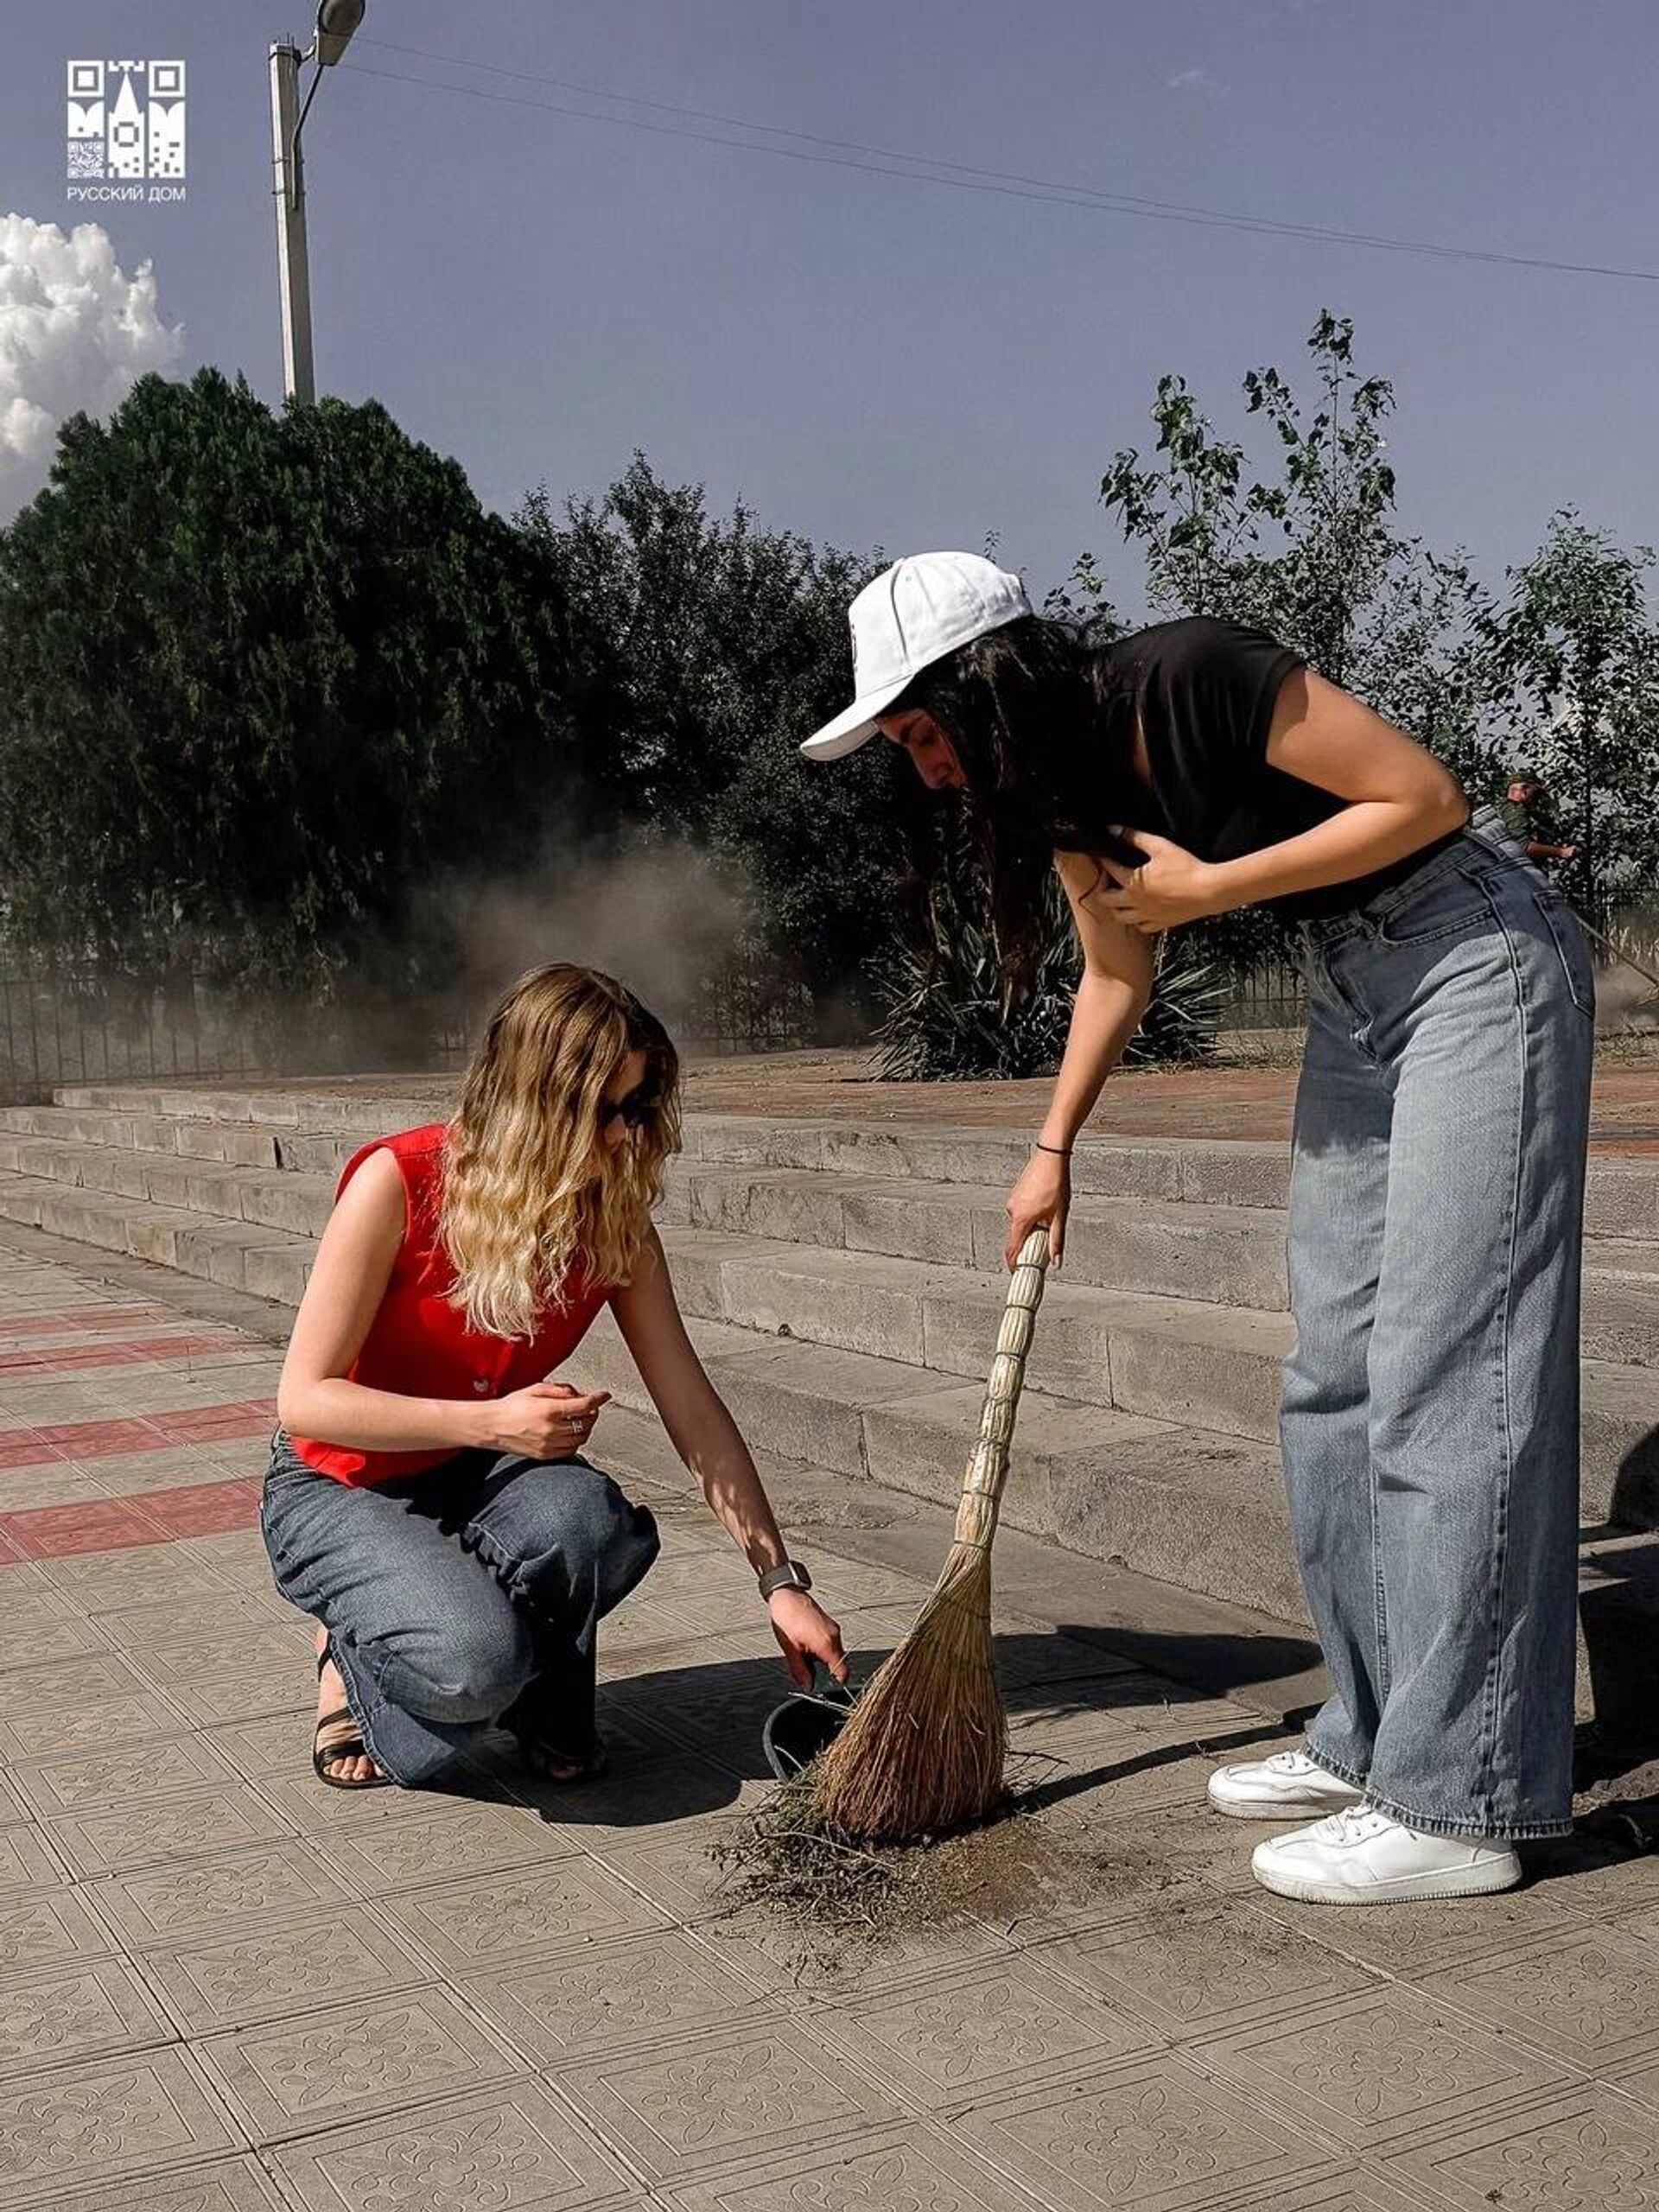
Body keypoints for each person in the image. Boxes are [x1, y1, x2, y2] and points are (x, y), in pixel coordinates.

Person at [801, 551, 1594, 1906]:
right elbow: (1120, 964)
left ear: (985, 685)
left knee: (1449, 1377)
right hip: (1355, 992)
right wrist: (1051, 1150)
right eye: (904, 745)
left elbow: (1425, 795)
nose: (923, 766)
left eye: (925, 730)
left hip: (1475, 960)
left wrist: (1211, 890)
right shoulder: (1063, 790)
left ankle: (1460, 1801)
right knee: (1329, 1383)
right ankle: (1375, 1736)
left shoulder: (1188, 674)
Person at [265, 962, 848, 1790]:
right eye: (602, 1110)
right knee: (472, 1666)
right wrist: (495, 1424)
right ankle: (351, 1648)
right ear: (534, 1101)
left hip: (474, 1475)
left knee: (591, 1520)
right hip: (339, 1482)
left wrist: (778, 1582)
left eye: (636, 1106)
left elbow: (692, 1407)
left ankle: (522, 1683)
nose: (621, 1134)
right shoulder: (398, 1182)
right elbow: (305, 1401)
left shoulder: (610, 1216)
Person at [1494, 769, 1578, 868]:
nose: (1536, 799)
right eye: (1535, 793)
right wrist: (1561, 852)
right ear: (1524, 789)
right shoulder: (1514, 808)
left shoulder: (1502, 809)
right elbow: (1523, 846)